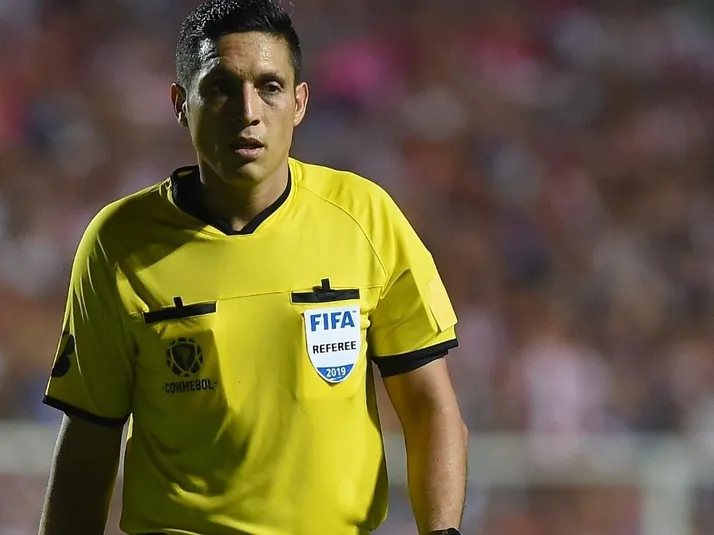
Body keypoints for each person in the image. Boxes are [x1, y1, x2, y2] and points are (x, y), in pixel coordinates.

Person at [38, 1, 468, 534]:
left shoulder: (365, 217)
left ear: (299, 102)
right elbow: (89, 434)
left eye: (270, 87)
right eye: (221, 87)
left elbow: (429, 406)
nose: (248, 111)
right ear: (181, 103)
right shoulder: (118, 241)